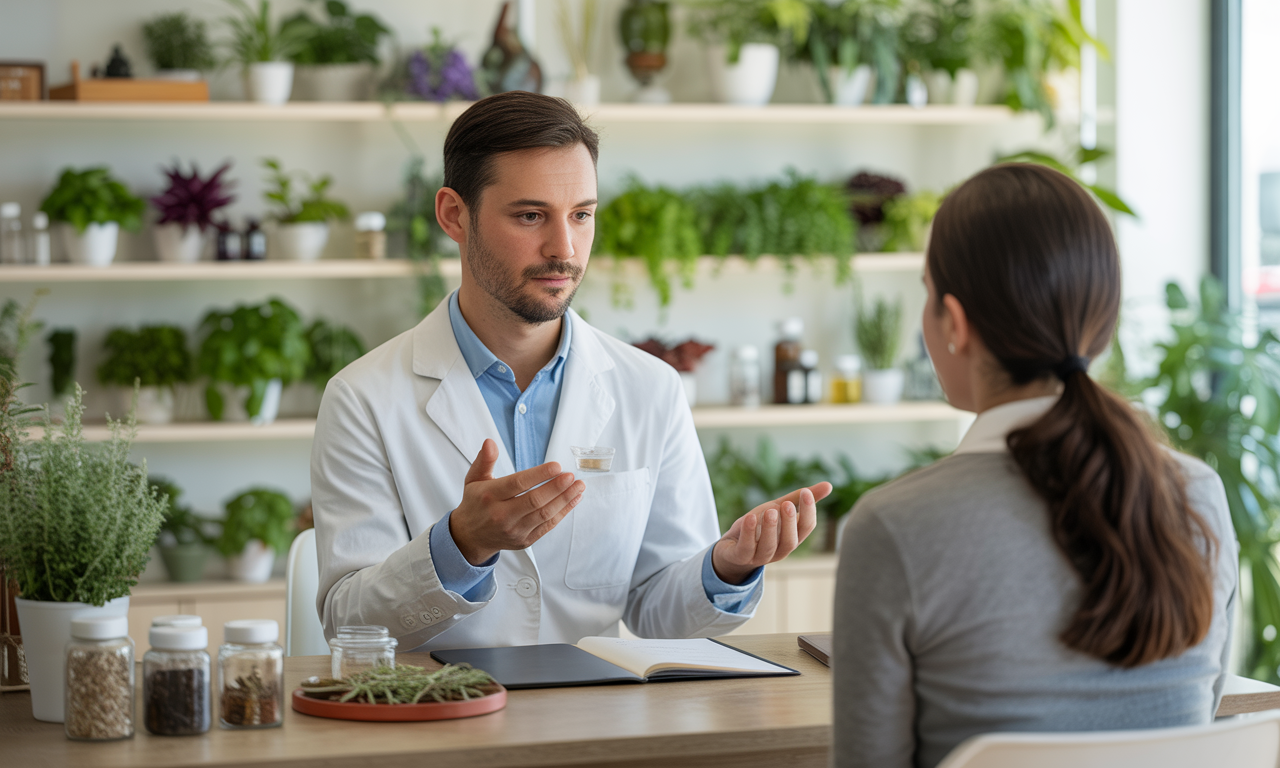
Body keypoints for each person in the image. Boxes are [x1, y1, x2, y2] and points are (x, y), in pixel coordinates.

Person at [311, 91, 831, 651]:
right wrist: (462, 544)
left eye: (581, 215)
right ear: (454, 216)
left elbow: (658, 610)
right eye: (531, 215)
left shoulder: (649, 388)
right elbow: (350, 626)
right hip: (441, 721)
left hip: (596, 721)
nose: (564, 248)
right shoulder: (363, 398)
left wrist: (725, 567)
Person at [831, 164, 1238, 768]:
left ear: (956, 323)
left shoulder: (895, 528)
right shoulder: (1196, 495)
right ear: (1100, 317)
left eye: (926, 291)